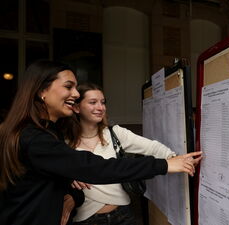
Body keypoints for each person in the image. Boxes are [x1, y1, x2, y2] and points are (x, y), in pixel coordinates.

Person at [0, 60, 202, 225]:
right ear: (41, 91)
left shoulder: (50, 132)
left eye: (103, 102)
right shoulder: (35, 137)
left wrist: (72, 192)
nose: (76, 94)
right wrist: (164, 165)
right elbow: (94, 168)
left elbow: (57, 184)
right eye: (68, 87)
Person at [61, 83, 179, 225]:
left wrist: (175, 159)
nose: (101, 108)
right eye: (93, 102)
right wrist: (68, 180)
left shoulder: (114, 133)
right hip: (85, 219)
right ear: (76, 107)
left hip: (122, 215)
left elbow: (152, 147)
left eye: (103, 102)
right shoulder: (64, 142)